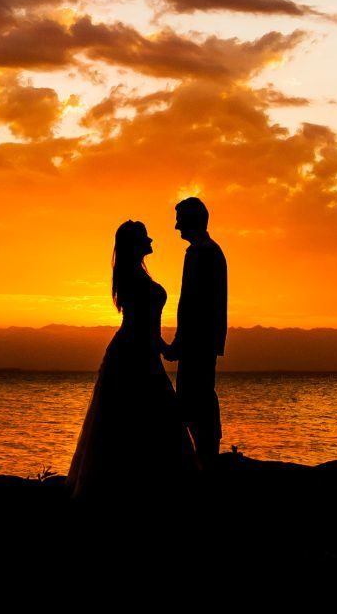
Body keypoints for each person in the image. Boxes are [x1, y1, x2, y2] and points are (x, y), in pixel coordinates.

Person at [65, 219, 195, 502]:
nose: (151, 241)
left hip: (138, 350)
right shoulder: (134, 278)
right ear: (136, 244)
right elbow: (140, 325)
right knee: (146, 416)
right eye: (145, 238)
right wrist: (164, 349)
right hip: (133, 354)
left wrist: (164, 348)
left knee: (143, 417)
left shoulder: (135, 275)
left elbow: (145, 324)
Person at [166, 195, 227, 469]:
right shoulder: (212, 250)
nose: (176, 227)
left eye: (180, 220)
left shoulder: (200, 253)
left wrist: (180, 342)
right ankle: (205, 458)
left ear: (192, 220)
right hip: (204, 341)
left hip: (196, 342)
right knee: (200, 399)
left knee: (194, 401)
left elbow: (192, 301)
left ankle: (204, 462)